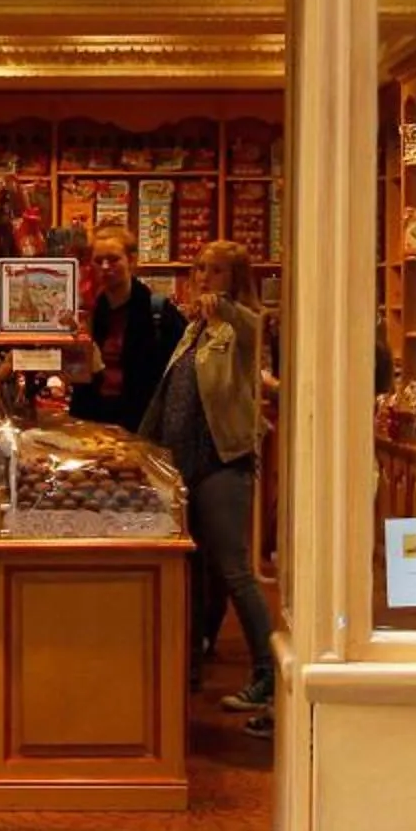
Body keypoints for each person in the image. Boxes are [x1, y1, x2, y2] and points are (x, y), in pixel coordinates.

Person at [139, 240, 276, 733]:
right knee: (193, 568)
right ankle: (191, 663)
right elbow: (170, 393)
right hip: (183, 464)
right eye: (199, 268)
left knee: (235, 570)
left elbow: (255, 328)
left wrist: (228, 308)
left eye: (216, 270)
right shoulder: (193, 328)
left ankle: (269, 673)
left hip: (222, 460)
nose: (203, 277)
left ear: (235, 278)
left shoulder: (239, 326)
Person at [73, 225, 180, 433]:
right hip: (95, 421)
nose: (105, 267)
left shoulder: (158, 311)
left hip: (142, 423)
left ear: (131, 260)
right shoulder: (90, 312)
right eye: (98, 261)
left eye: (113, 259)